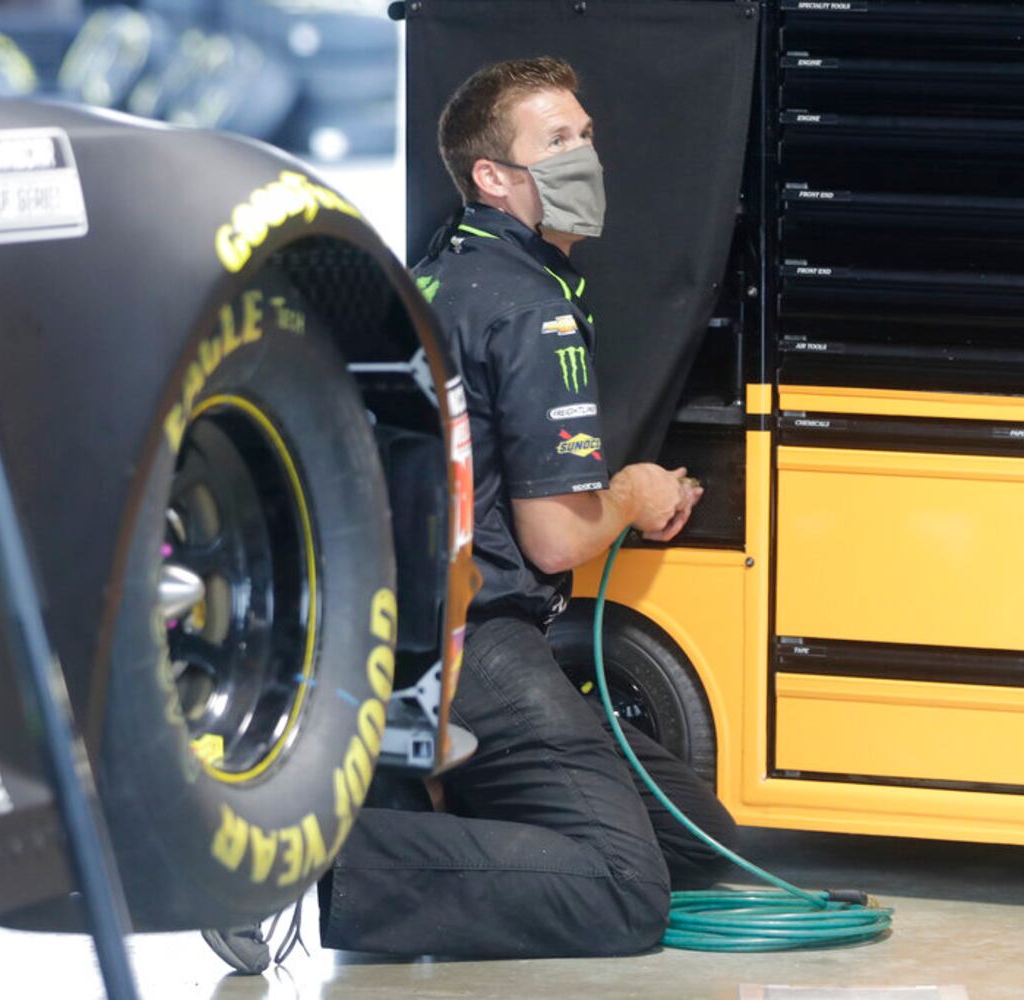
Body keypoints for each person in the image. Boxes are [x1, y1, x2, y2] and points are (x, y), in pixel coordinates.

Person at [205, 56, 737, 970]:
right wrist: (637, 495)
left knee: (698, 839)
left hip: (385, 632)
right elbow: (556, 537)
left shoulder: (433, 279)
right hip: (474, 638)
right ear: (491, 176)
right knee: (623, 889)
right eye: (557, 142)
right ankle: (302, 864)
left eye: (586, 135)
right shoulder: (533, 311)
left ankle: (427, 823)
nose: (585, 155)